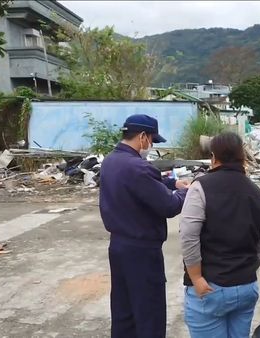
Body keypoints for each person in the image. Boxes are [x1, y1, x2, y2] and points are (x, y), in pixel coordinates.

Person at [99, 114, 190, 338]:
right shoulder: (137, 167)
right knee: (149, 312)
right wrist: (186, 191)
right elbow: (168, 205)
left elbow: (145, 182)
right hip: (141, 251)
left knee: (124, 310)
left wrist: (172, 182)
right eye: (151, 140)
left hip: (119, 246)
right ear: (142, 137)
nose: (150, 145)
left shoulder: (111, 160)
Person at [179, 131, 260, 338]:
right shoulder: (256, 191)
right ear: (242, 156)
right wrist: (248, 269)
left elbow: (188, 235)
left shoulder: (200, 187)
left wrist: (196, 277)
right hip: (246, 287)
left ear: (214, 157)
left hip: (210, 287)